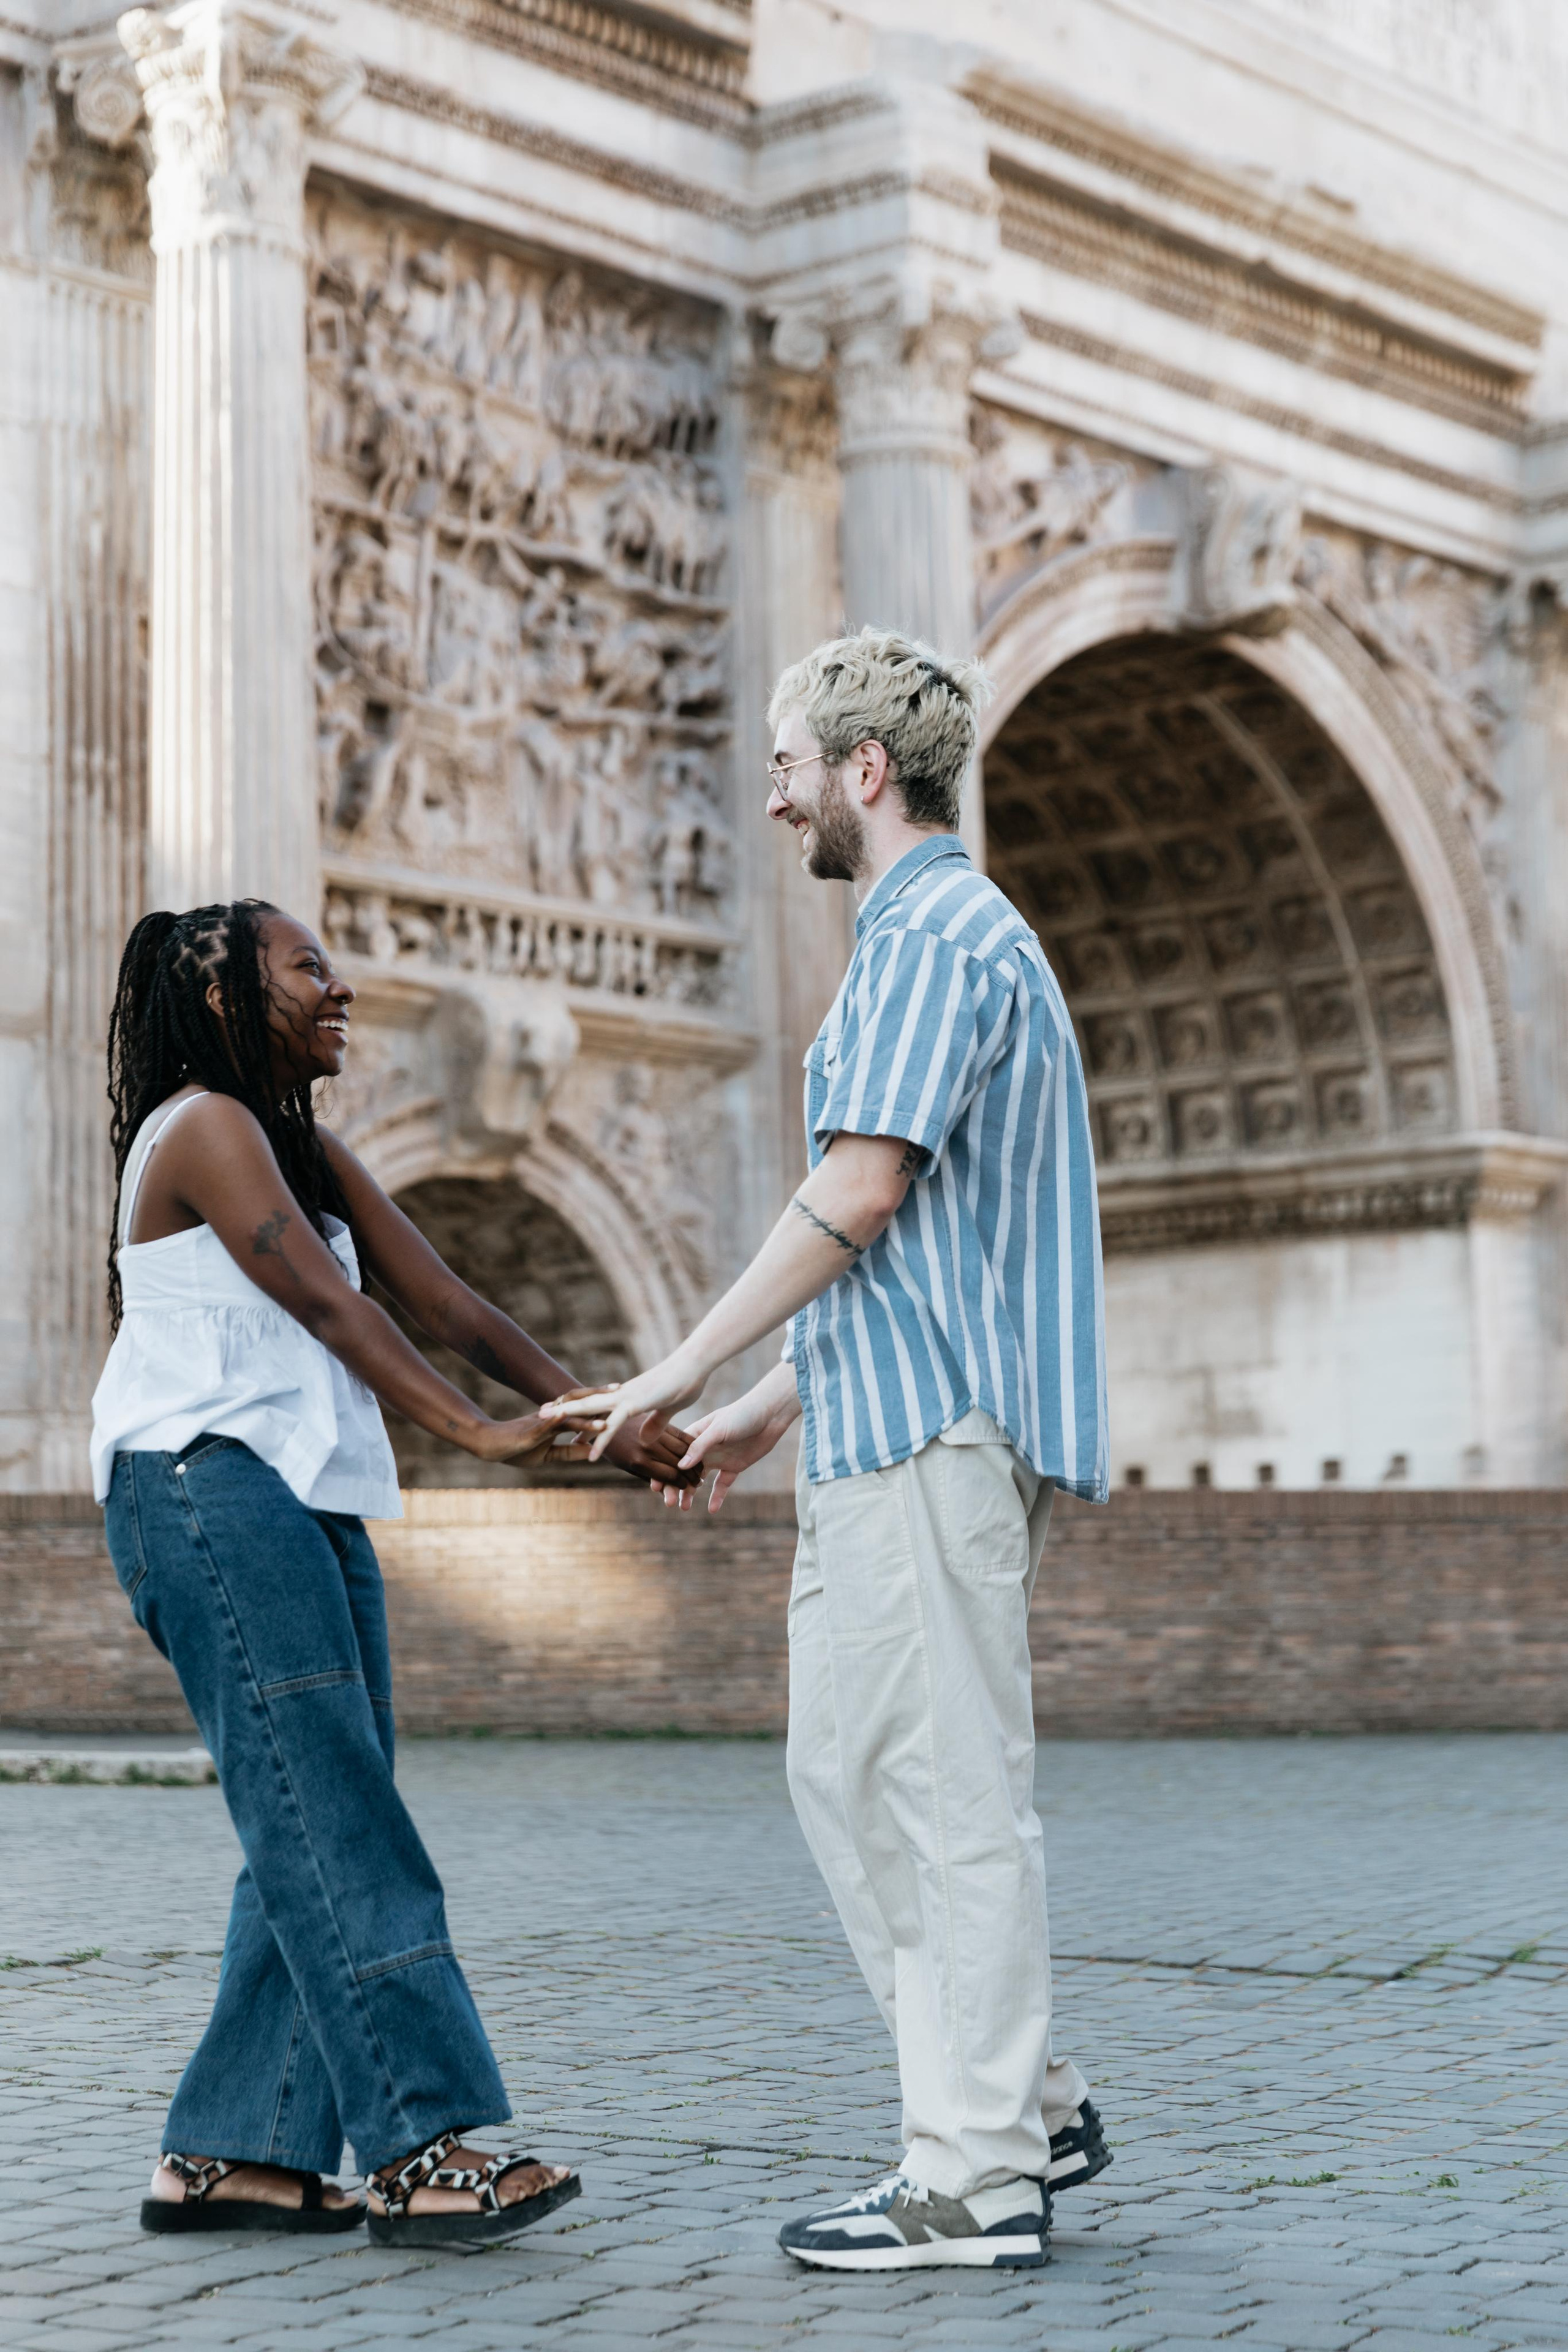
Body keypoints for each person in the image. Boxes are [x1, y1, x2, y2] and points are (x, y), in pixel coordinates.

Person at [549, 627, 1112, 2272]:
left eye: (792, 764)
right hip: (884, 1420)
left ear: (866, 770)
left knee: (947, 1802)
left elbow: (862, 1195)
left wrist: (675, 1358)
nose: (778, 795)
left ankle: (982, 2174)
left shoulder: (934, 934)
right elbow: (922, 1244)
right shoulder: (922, 938)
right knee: (850, 1779)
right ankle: (1029, 2106)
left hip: (938, 1439)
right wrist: (761, 1409)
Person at [92, 898, 696, 2248]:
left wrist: (608, 1422)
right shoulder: (202, 1125)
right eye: (309, 967)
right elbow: (327, 1303)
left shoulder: (300, 1143)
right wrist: (477, 1436)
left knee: (319, 1813)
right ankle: (421, 2144)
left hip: (291, 1497)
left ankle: (236, 2151)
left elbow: (450, 1303)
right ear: (231, 998)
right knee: (336, 1818)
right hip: (205, 1486)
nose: (341, 985)